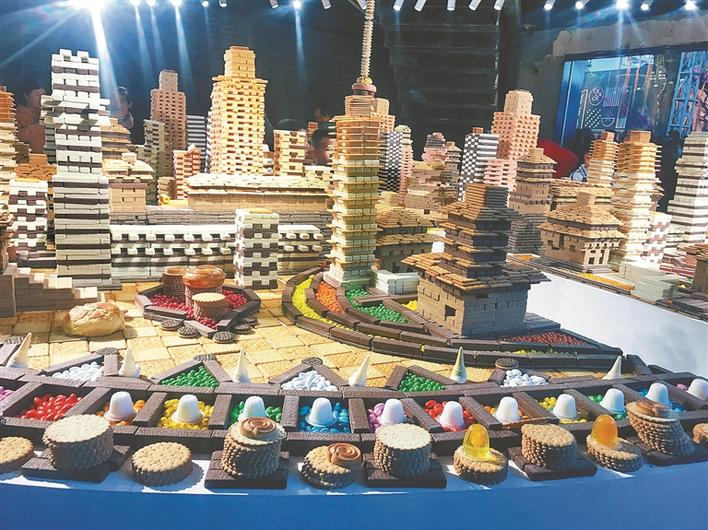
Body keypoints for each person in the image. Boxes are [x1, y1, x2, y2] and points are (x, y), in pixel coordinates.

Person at [16, 79, 46, 153]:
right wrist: (40, 126)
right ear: (26, 96)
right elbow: (16, 137)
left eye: (43, 95)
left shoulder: (46, 114)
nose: (41, 99)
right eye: (37, 95)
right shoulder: (16, 115)